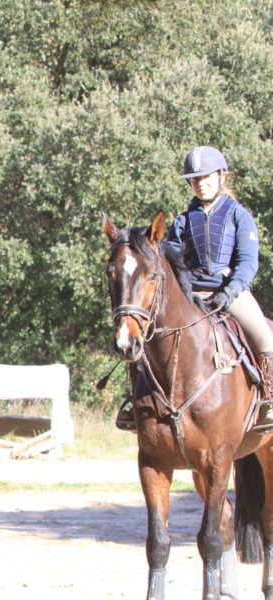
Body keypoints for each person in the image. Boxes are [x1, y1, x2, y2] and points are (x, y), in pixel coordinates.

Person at [116, 145, 273, 433]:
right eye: (195, 178)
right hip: (193, 293)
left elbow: (248, 262)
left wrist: (232, 289)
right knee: (150, 333)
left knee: (265, 337)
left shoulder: (239, 215)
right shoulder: (182, 221)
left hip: (232, 292)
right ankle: (134, 402)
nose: (201, 183)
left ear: (220, 175)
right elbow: (171, 262)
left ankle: (269, 403)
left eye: (206, 176)